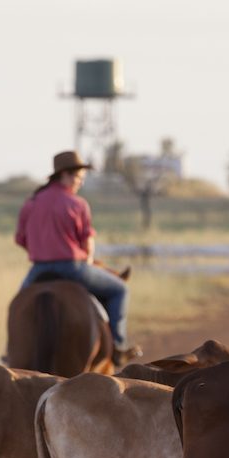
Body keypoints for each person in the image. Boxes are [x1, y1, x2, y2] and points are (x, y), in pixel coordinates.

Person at [14, 150, 141, 364]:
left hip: (38, 269)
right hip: (72, 267)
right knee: (120, 289)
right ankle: (118, 347)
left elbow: (20, 239)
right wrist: (87, 261)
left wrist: (42, 250)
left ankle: (11, 353)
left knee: (17, 308)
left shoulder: (31, 203)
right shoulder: (77, 204)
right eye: (78, 178)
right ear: (65, 175)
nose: (80, 183)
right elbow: (87, 242)